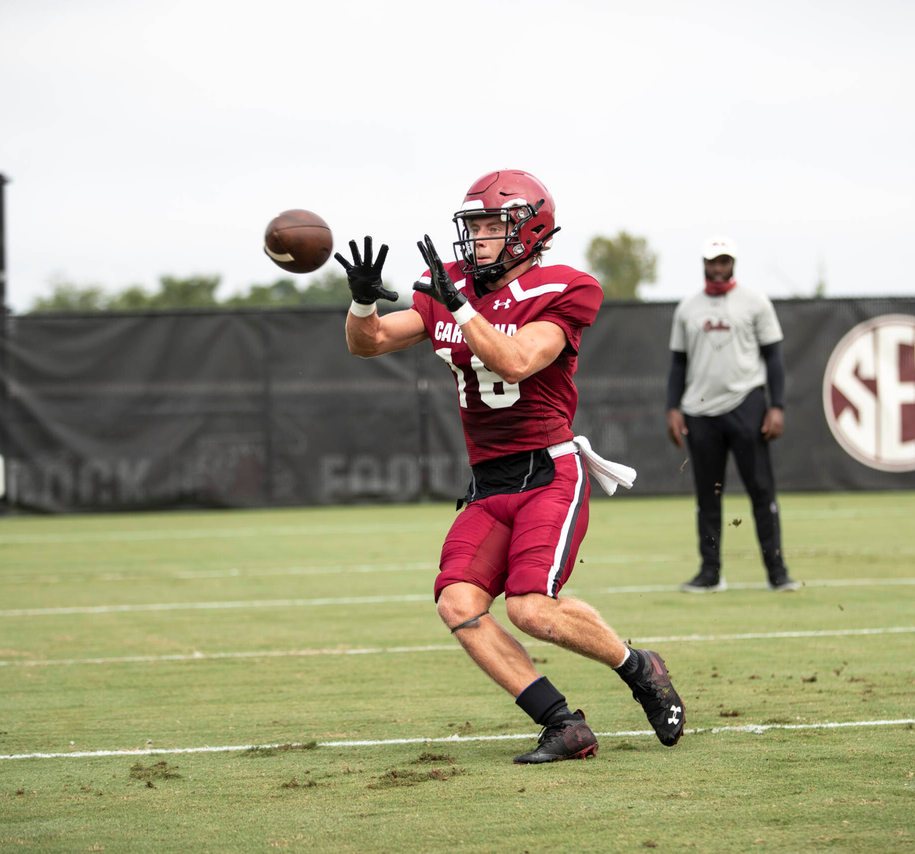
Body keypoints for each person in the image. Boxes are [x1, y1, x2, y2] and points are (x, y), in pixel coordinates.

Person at [337, 169, 685, 764]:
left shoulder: (564, 289)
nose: (477, 239)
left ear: (530, 230)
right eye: (472, 226)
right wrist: (363, 300)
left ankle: (639, 667)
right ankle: (561, 723)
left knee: (529, 608)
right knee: (457, 602)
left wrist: (462, 308)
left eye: (492, 226)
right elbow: (367, 342)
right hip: (488, 482)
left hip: (548, 472)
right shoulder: (447, 288)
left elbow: (519, 359)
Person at [665, 236, 800, 593]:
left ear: (733, 263)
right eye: (713, 261)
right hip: (699, 411)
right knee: (708, 495)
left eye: (724, 261)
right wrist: (672, 407)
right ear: (704, 263)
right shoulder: (687, 308)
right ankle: (710, 574)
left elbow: (774, 357)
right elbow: (678, 363)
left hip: (747, 405)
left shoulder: (755, 302)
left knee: (761, 491)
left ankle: (777, 572)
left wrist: (777, 406)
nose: (718, 267)